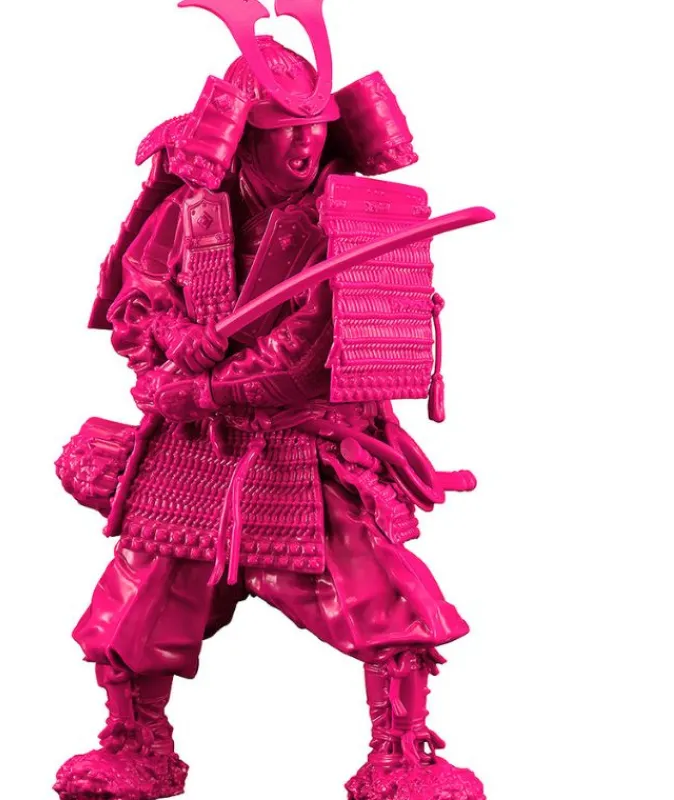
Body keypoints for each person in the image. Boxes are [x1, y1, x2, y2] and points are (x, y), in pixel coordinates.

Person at [54, 36, 485, 800]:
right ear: (243, 134)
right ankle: (134, 744)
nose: (304, 144)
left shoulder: (354, 222)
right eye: (284, 129)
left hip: (304, 445)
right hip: (194, 452)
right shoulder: (189, 209)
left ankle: (402, 755)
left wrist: (205, 391)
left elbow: (306, 352)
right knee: (134, 600)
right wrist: (170, 340)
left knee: (385, 599)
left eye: (315, 127)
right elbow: (137, 296)